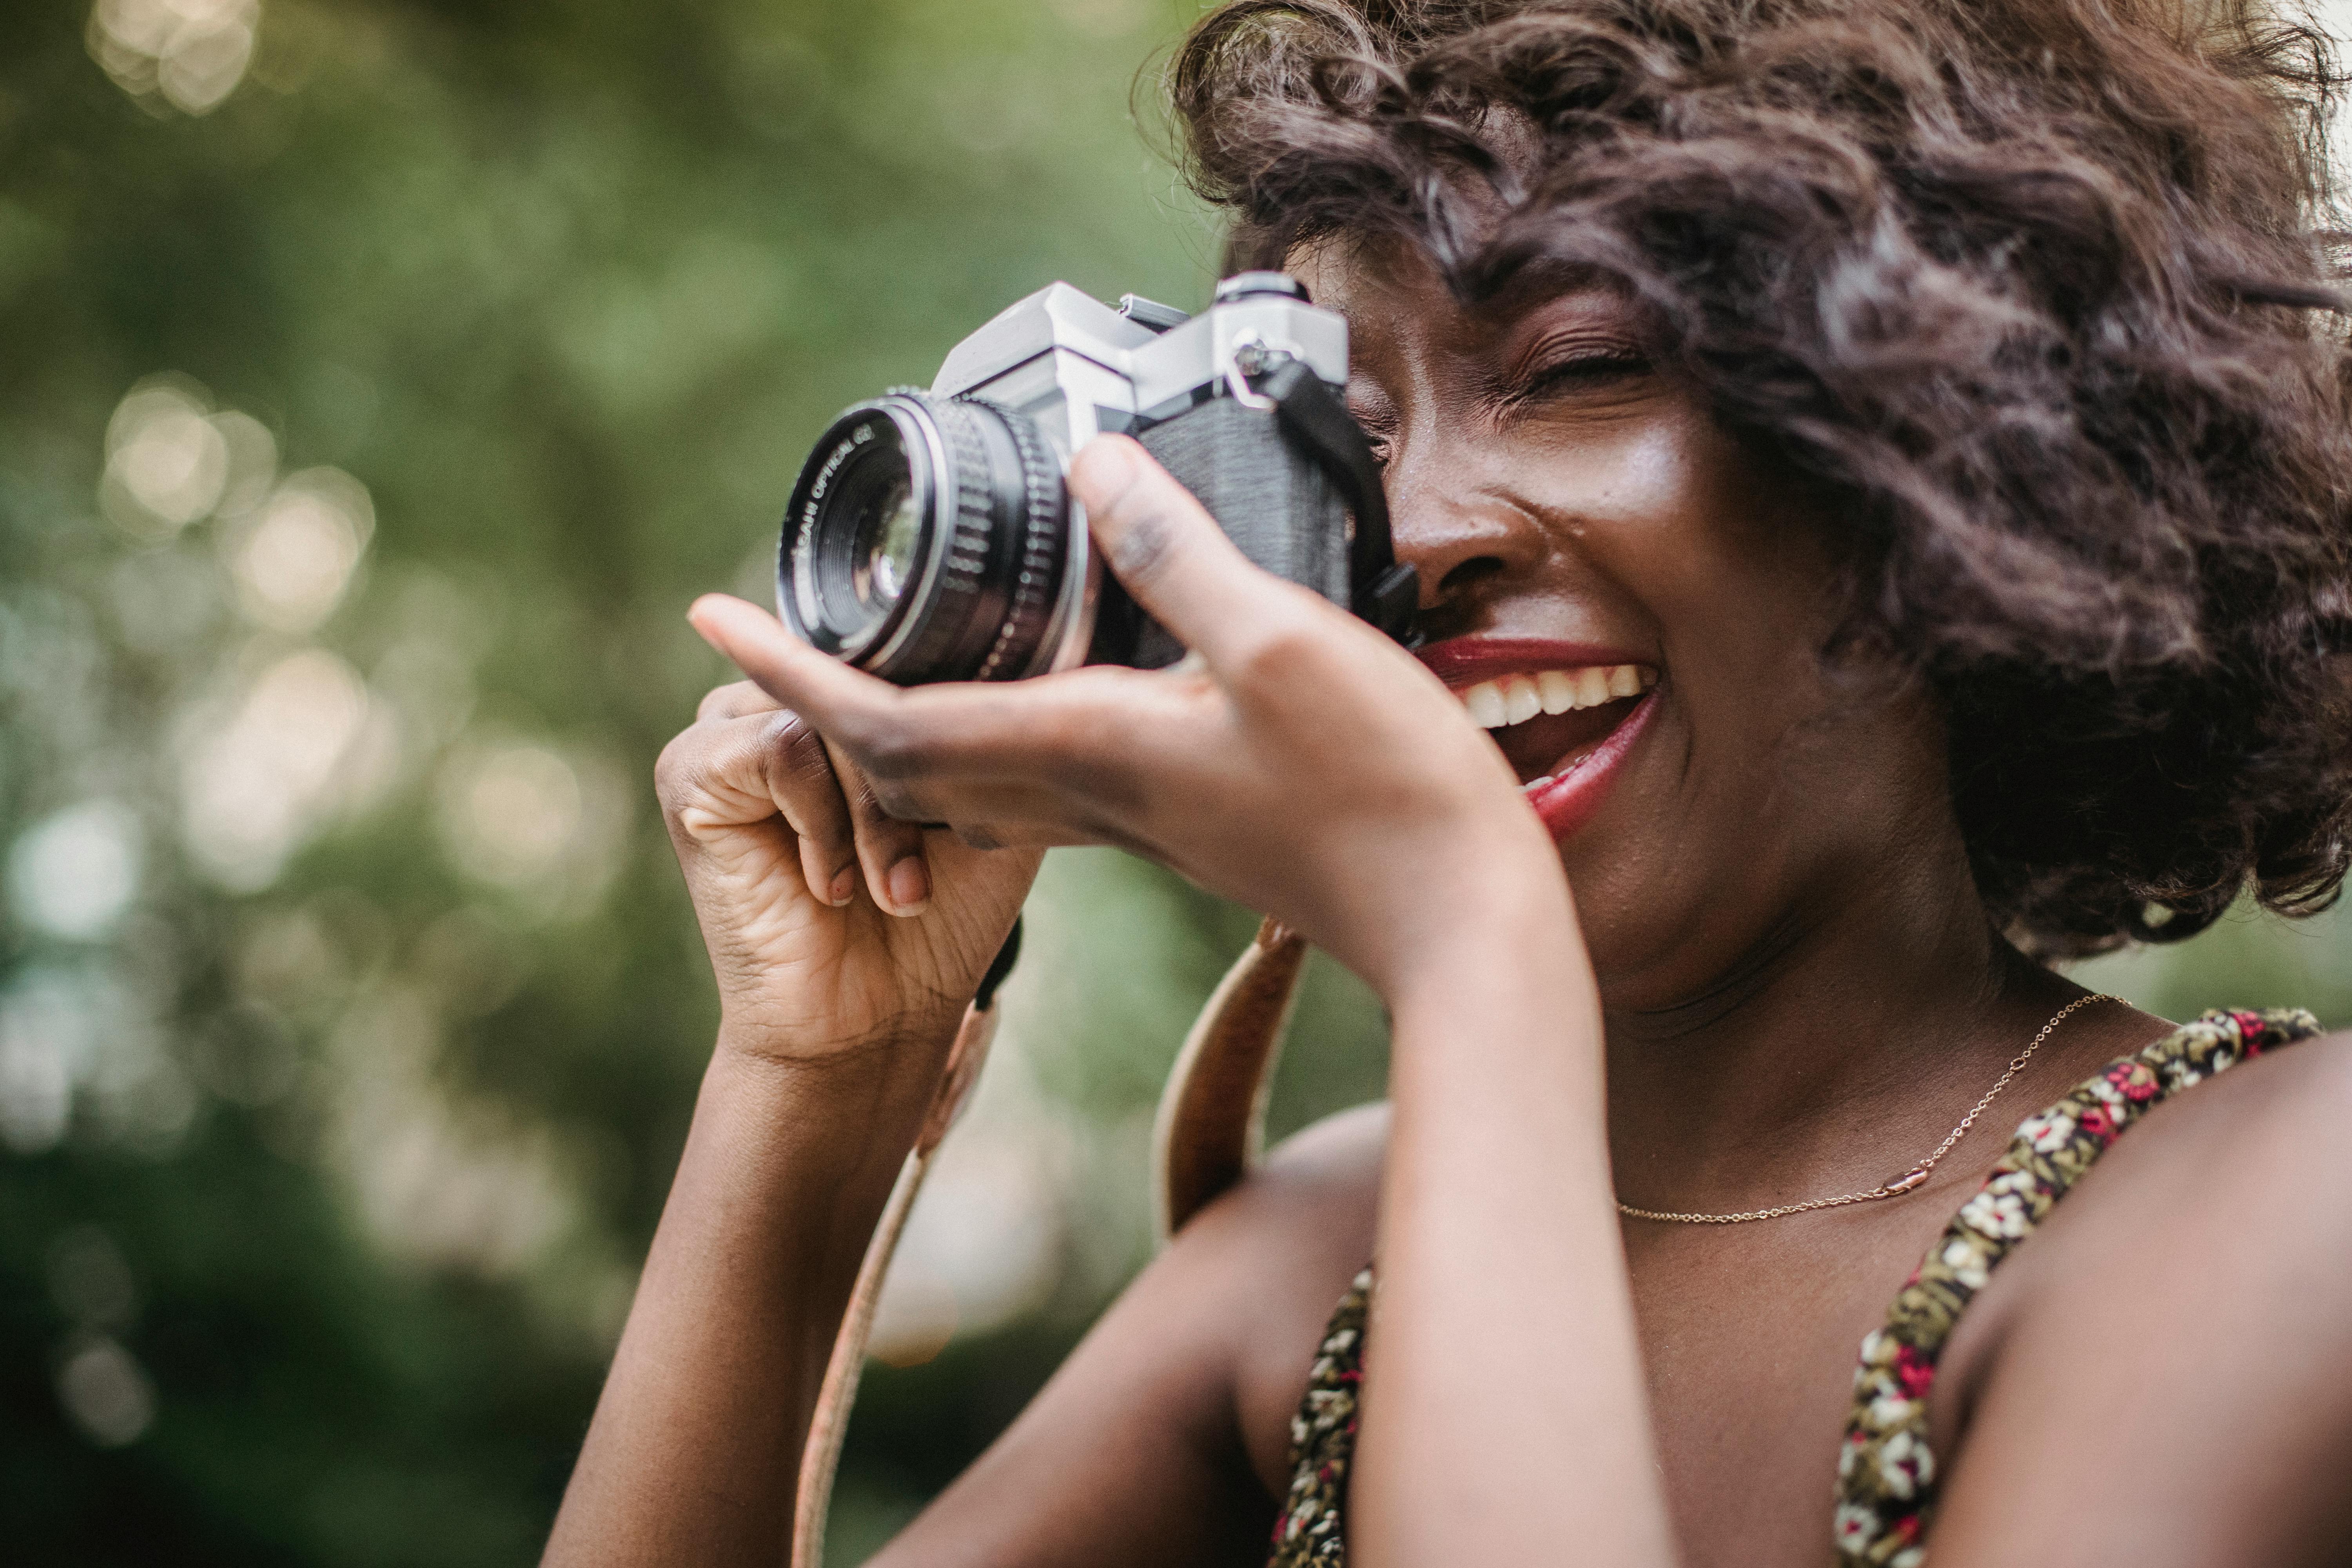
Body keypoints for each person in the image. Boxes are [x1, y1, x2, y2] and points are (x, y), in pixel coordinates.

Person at [543, 0, 2352, 1563]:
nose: (1406, 532)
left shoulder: (2283, 1200)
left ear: (1951, 438)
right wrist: (821, 1080)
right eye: (1348, 428)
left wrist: (1470, 941)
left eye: (1573, 366)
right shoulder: (1308, 1260)